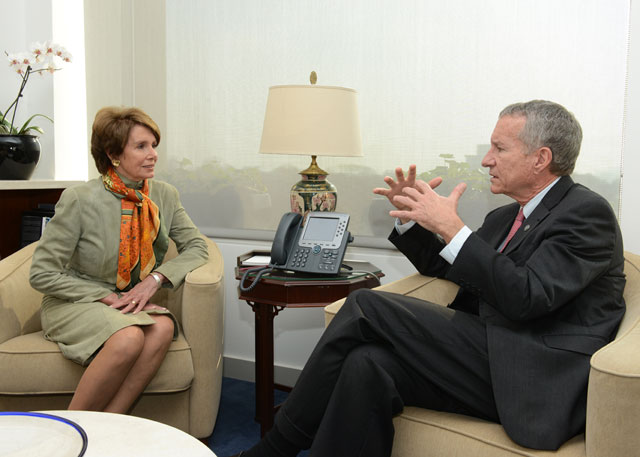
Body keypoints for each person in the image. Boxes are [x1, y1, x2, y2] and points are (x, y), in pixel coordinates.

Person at [229, 100, 626, 457]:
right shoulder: (505, 216)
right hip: (487, 350)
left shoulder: (586, 214)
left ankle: (275, 449)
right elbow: (454, 270)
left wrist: (454, 229)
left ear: (541, 158)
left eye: (499, 148)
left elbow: (528, 296)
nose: (487, 160)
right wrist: (413, 224)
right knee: (368, 363)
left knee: (366, 304)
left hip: (532, 370)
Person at [29, 106, 209, 413]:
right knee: (128, 338)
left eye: (154, 145)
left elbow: (197, 248)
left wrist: (154, 281)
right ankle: (71, 430)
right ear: (113, 154)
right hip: (76, 302)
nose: (152, 154)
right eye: (141, 146)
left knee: (163, 328)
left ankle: (111, 425)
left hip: (129, 301)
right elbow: (42, 273)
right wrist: (107, 296)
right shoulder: (79, 199)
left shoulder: (164, 195)